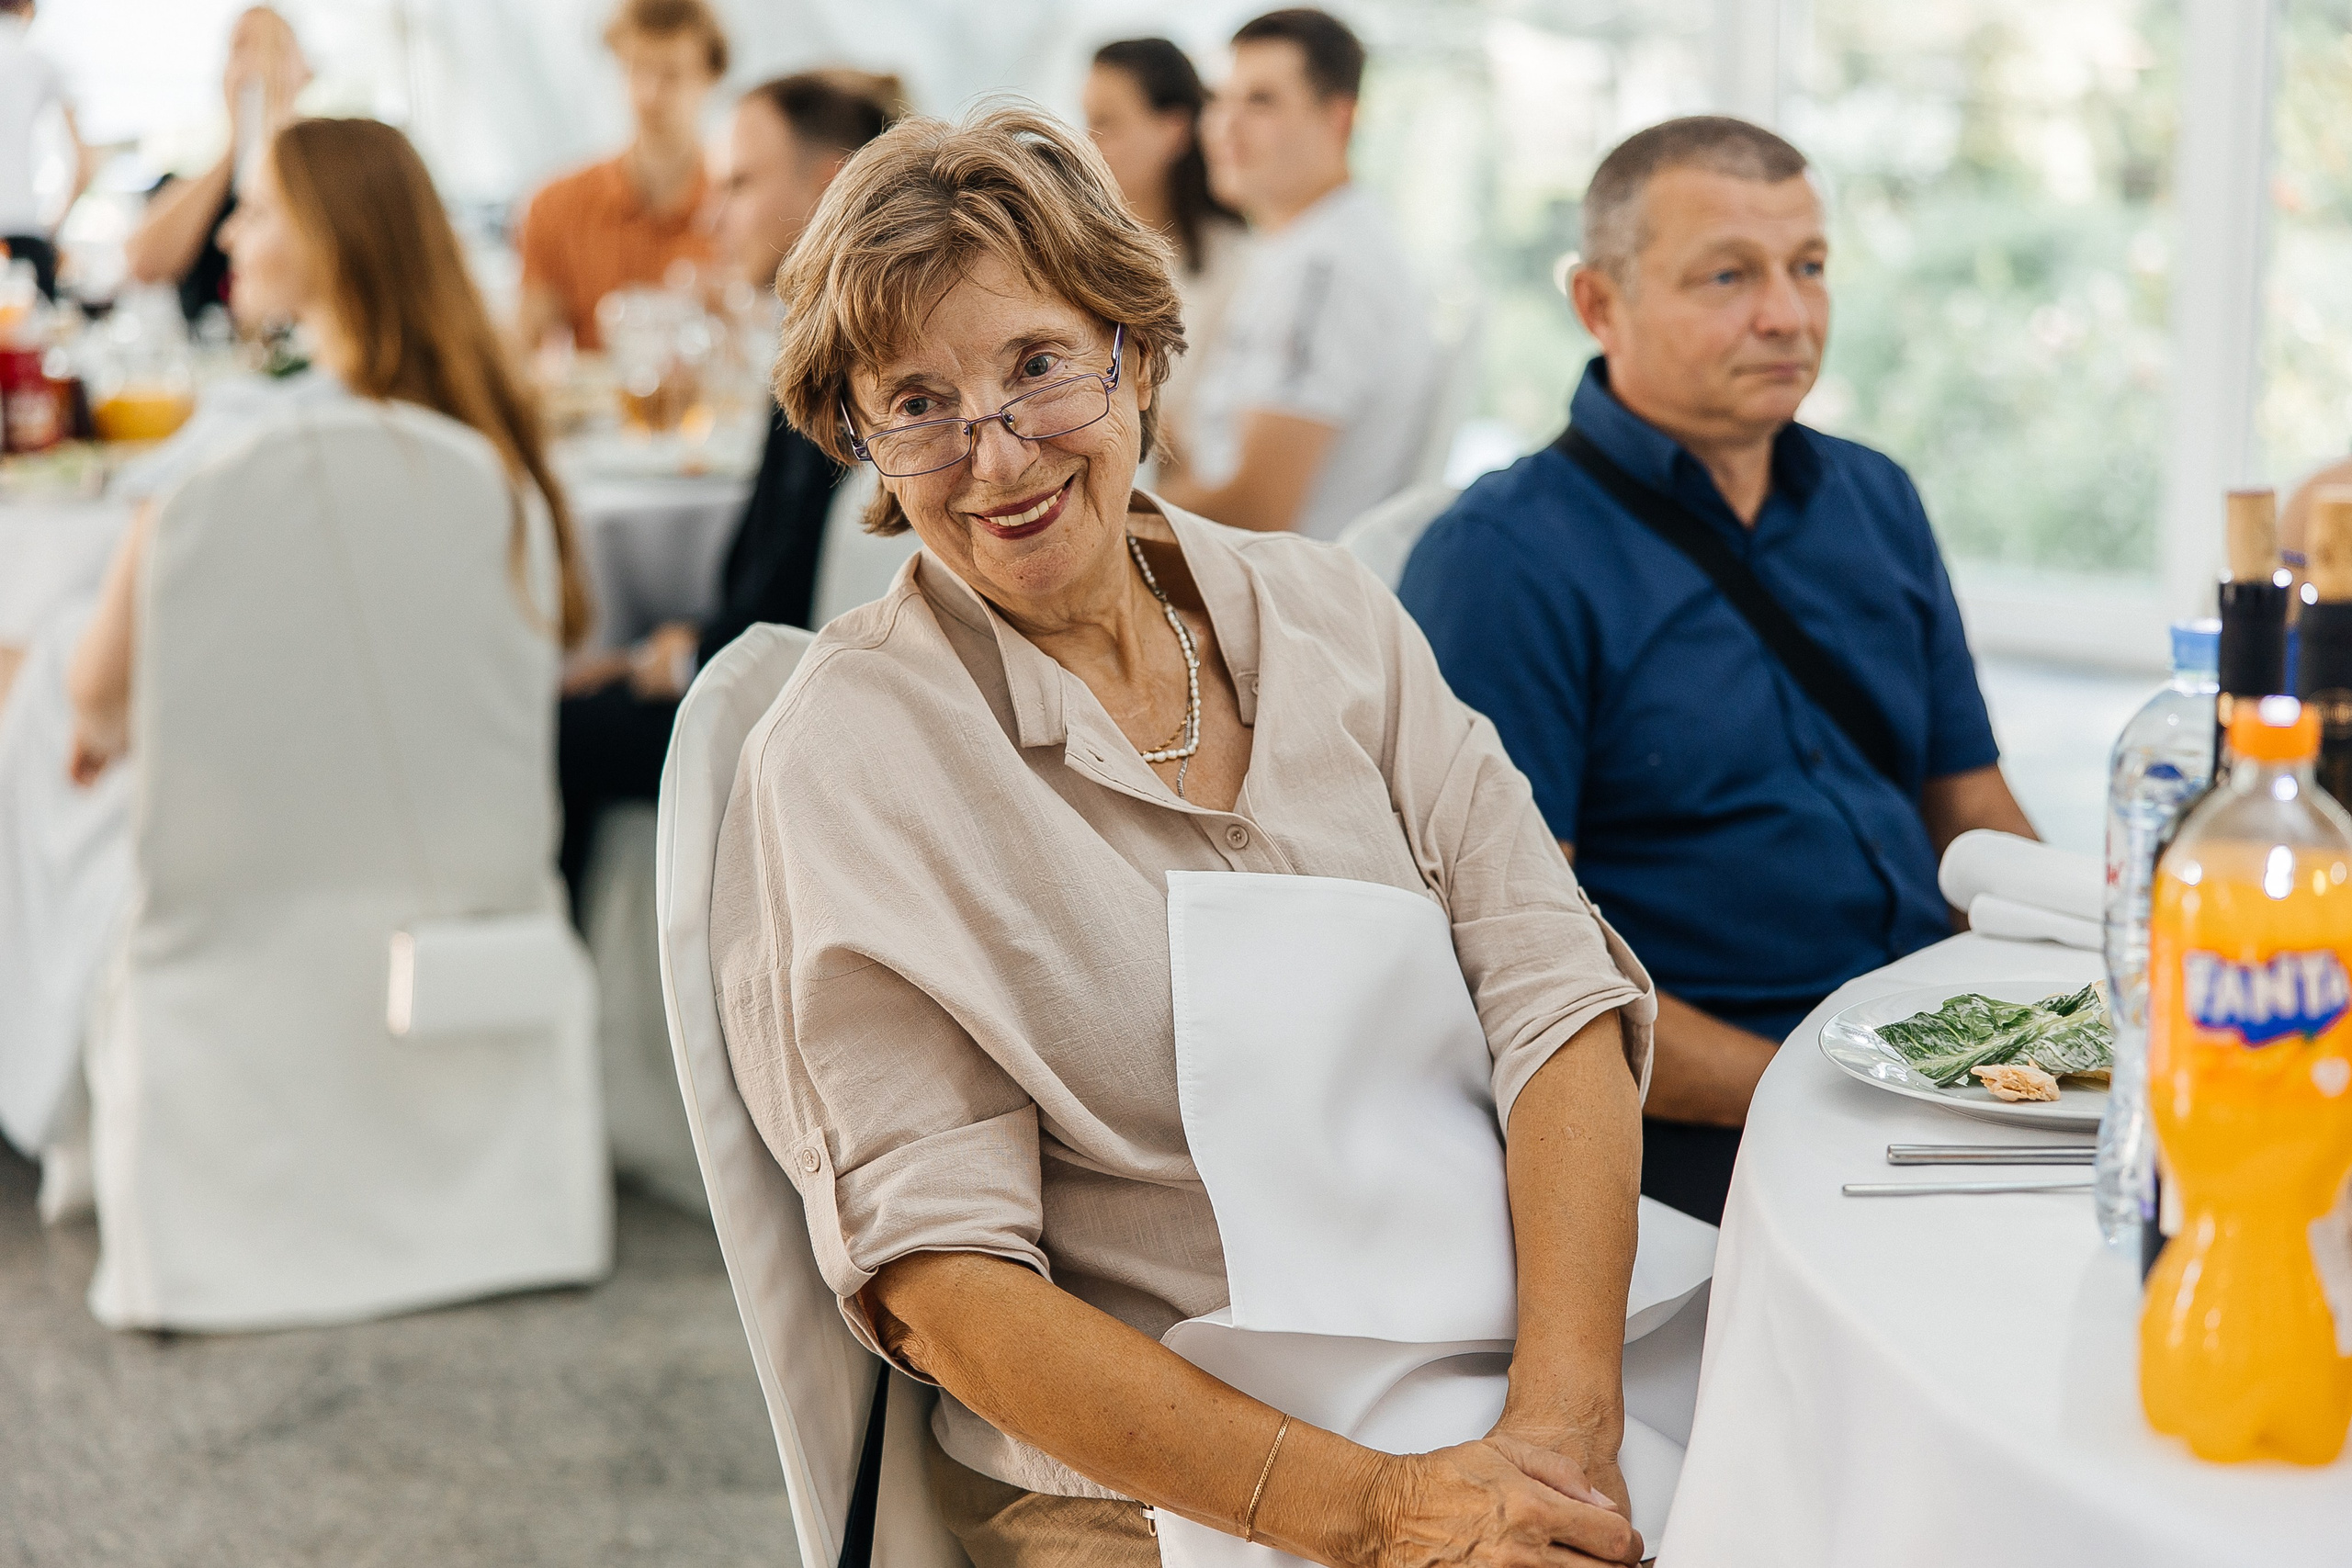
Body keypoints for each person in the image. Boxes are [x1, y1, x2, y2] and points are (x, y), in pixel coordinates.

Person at [717, 104, 1657, 1568]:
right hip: (1169, 1483)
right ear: (862, 443)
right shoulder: (849, 754)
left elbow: (1556, 999)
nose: (996, 452)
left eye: (1037, 367)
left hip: (1507, 1364)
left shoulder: (1335, 614)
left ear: (1136, 354)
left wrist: (1559, 1430)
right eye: (917, 403)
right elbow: (942, 1281)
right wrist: (1393, 1512)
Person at [1398, 117, 2036, 1226]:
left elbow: (1972, 809)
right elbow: (1526, 974)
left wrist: (2090, 996)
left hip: (1931, 1057)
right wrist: (1819, 1091)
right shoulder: (1502, 559)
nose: (1786, 314)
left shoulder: (1873, 500)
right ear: (1598, 303)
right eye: (1729, 275)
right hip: (1708, 1120)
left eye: (1809, 268)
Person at [0, 116, 590, 1183]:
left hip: (231, 849)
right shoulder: (488, 445)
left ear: (329, 238)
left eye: (256, 211)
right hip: (433, 844)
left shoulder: (230, 453)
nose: (228, 238)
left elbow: (95, 702)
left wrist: (73, 706)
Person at [554, 68, 900, 913]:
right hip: (790, 682)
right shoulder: (841, 336)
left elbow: (776, 611)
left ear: (823, 185)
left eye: (740, 185)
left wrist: (654, 661)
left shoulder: (841, 366)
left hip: (787, 717)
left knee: (557, 729)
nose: (713, 216)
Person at [1155, 8, 1437, 540]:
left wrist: (1097, 513)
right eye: (1219, 100)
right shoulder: (1304, 247)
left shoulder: (1326, 271)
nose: (1223, 127)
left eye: (1261, 102)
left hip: (1267, 593)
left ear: (1340, 119)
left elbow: (1256, 509)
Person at [514, 0, 725, 354]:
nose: (649, 96)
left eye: (670, 74)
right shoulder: (556, 206)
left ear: (710, 78)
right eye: (635, 70)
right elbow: (524, 351)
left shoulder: (739, 208)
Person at [1082, 38, 1247, 466]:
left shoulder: (1238, 262)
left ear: (1172, 130)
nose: (1087, 143)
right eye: (1086, 121)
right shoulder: (1074, 252)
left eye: (1107, 124)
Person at [122, 6, 309, 324]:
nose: (255, 65)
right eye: (240, 48)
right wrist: (238, 144)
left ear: (304, 71)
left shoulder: (323, 182)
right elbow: (141, 263)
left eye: (273, 49)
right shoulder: (182, 183)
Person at [0, 0, 89, 300]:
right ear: (29, 8)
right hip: (23, 235)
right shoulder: (41, 63)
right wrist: (53, 228)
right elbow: (86, 162)